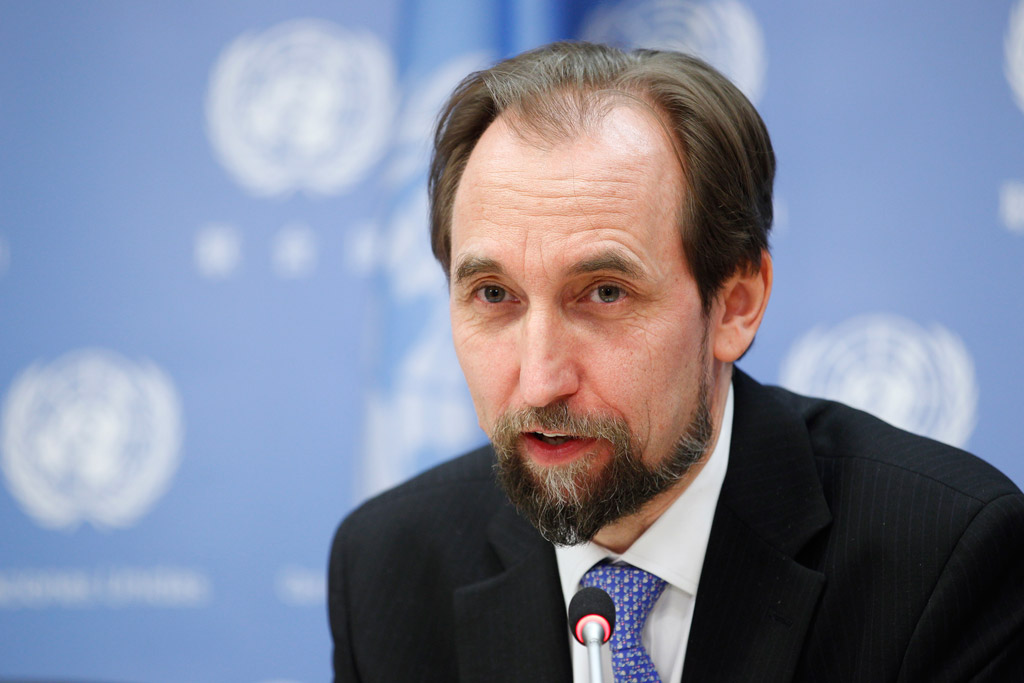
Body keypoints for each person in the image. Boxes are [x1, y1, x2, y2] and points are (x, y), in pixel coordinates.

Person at [328, 41, 1024, 682]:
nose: (540, 382)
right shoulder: (388, 569)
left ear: (736, 305)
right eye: (493, 294)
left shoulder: (941, 559)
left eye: (605, 293)